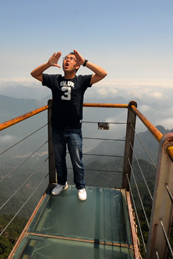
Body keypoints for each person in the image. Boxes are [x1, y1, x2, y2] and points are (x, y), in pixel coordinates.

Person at [30, 50, 107, 201]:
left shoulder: (82, 81)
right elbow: (34, 74)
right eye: (66, 59)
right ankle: (61, 183)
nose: (67, 61)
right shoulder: (55, 79)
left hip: (74, 129)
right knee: (59, 160)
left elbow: (103, 73)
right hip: (57, 128)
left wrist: (85, 62)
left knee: (77, 160)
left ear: (77, 66)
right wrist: (48, 64)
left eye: (71, 59)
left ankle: (81, 186)